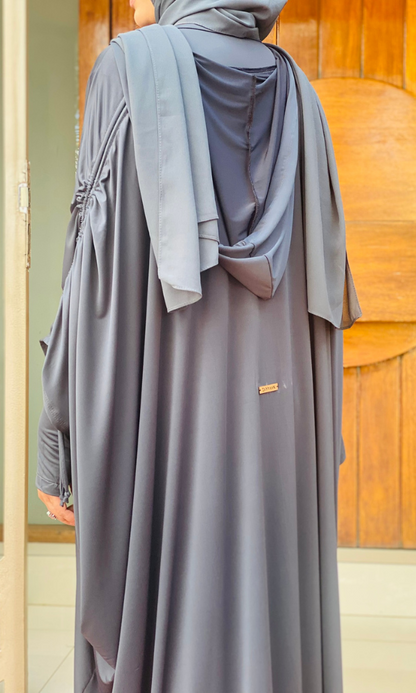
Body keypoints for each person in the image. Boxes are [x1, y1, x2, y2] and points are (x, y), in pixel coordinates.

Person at [36, 1, 362, 691]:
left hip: (171, 435)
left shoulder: (129, 68)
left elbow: (90, 283)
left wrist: (56, 438)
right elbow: (326, 299)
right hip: (278, 443)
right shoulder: (301, 96)